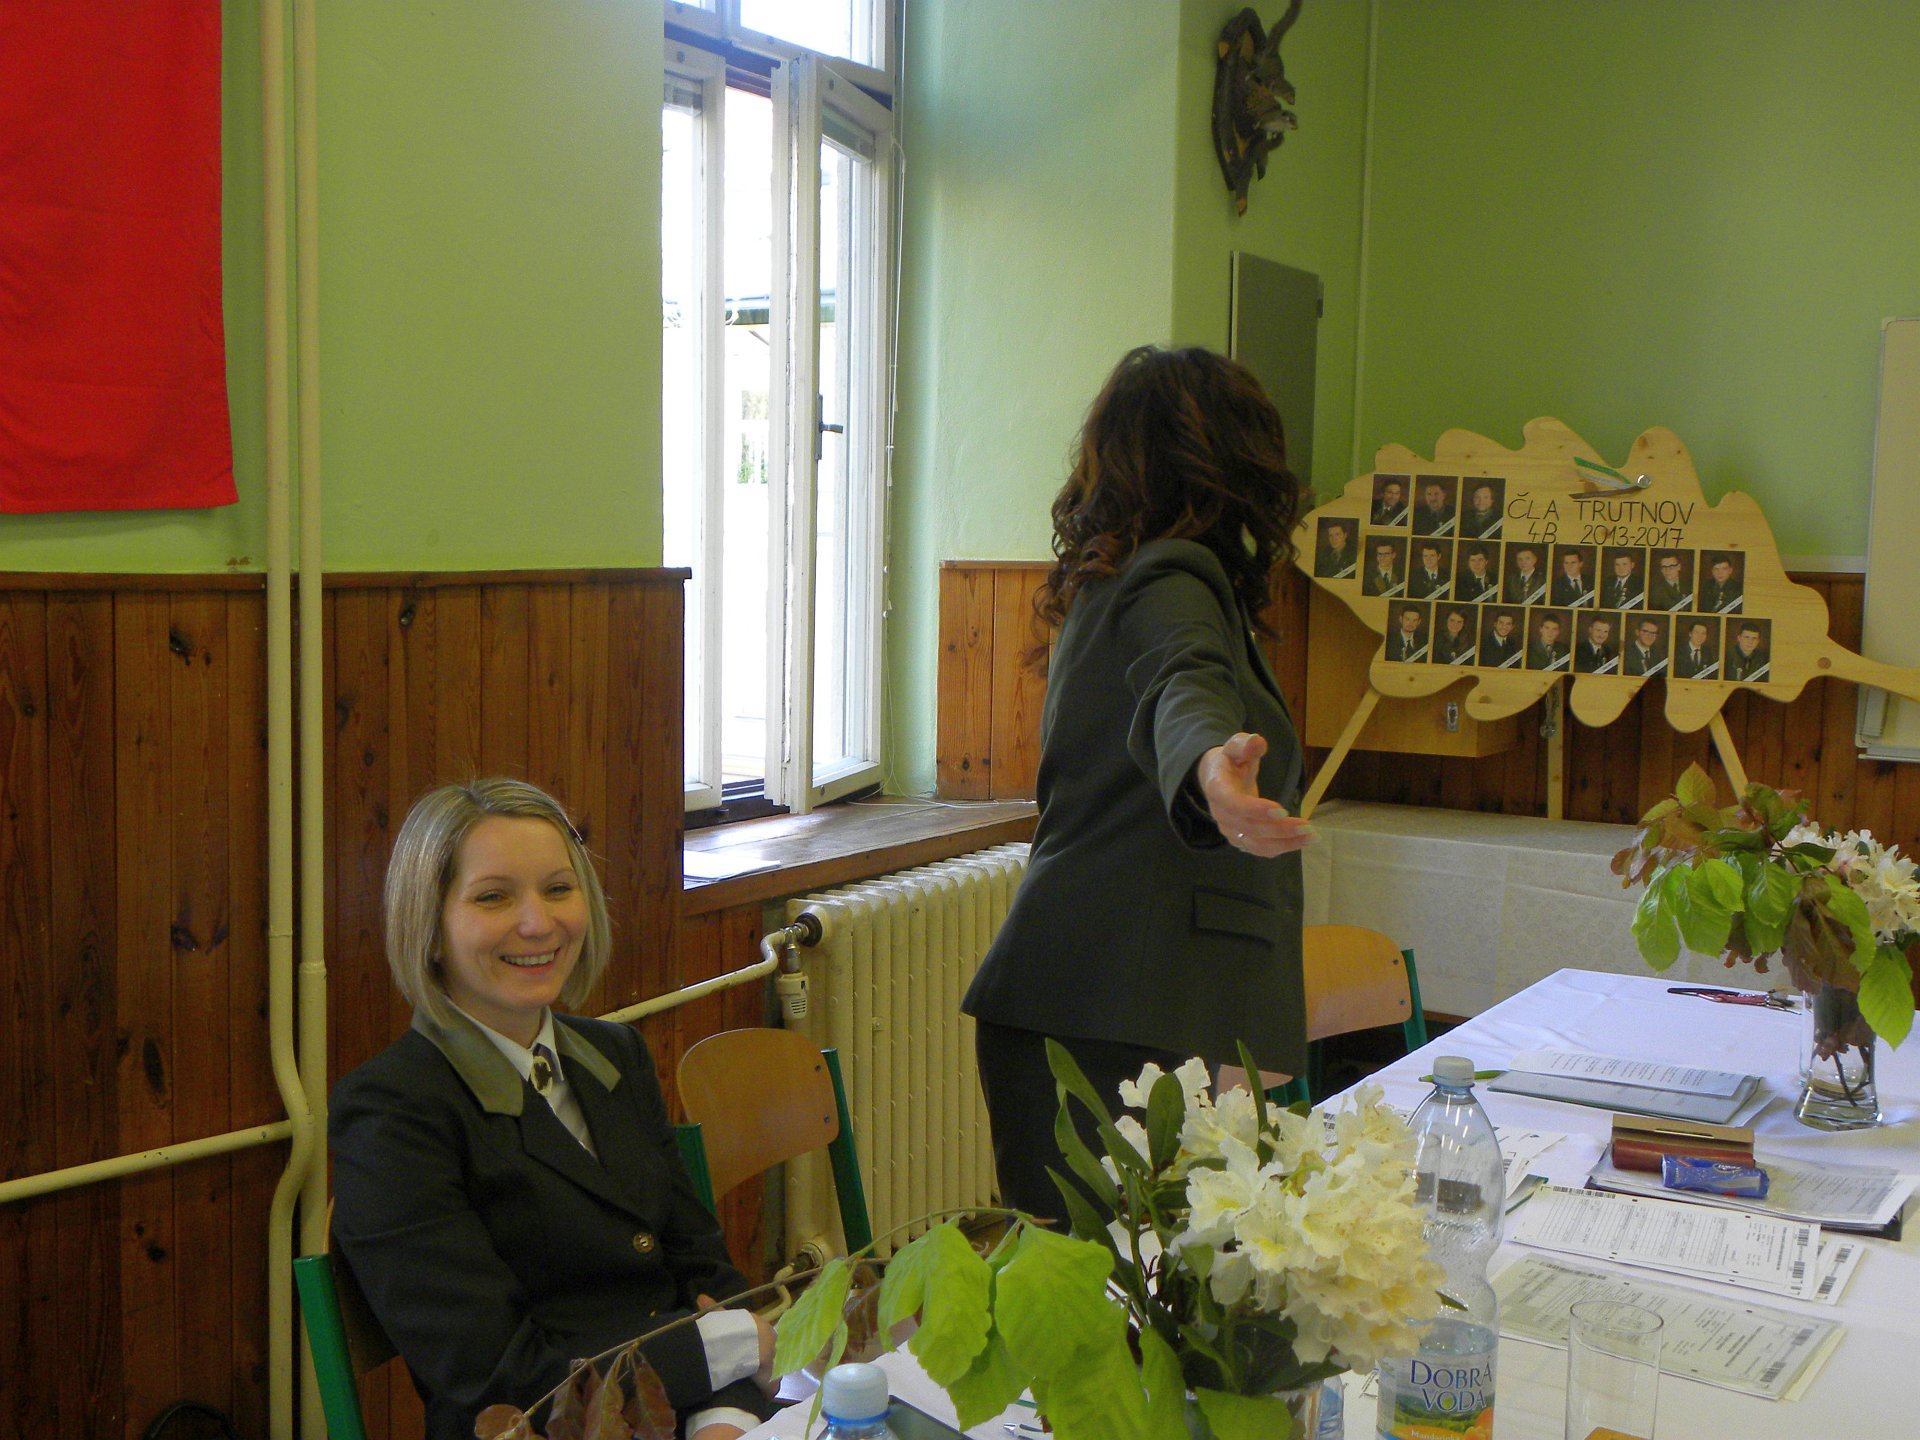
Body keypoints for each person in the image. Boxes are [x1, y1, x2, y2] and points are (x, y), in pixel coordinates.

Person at [961, 346, 1314, 1219]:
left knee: (1133, 1289)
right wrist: (1210, 767)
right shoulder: (1169, 578)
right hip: (1107, 1015)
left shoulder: (1125, 579)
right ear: (1229, 460)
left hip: (1105, 1003)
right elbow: (1183, 684)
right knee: (1104, 1292)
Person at [330, 779, 777, 1440]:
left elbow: (704, 1273)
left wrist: (725, 1413)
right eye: (493, 897)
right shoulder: (390, 1114)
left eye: (558, 889)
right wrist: (729, 1352)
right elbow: (501, 1381)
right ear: (429, 928)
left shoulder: (616, 1054)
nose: (539, 923)